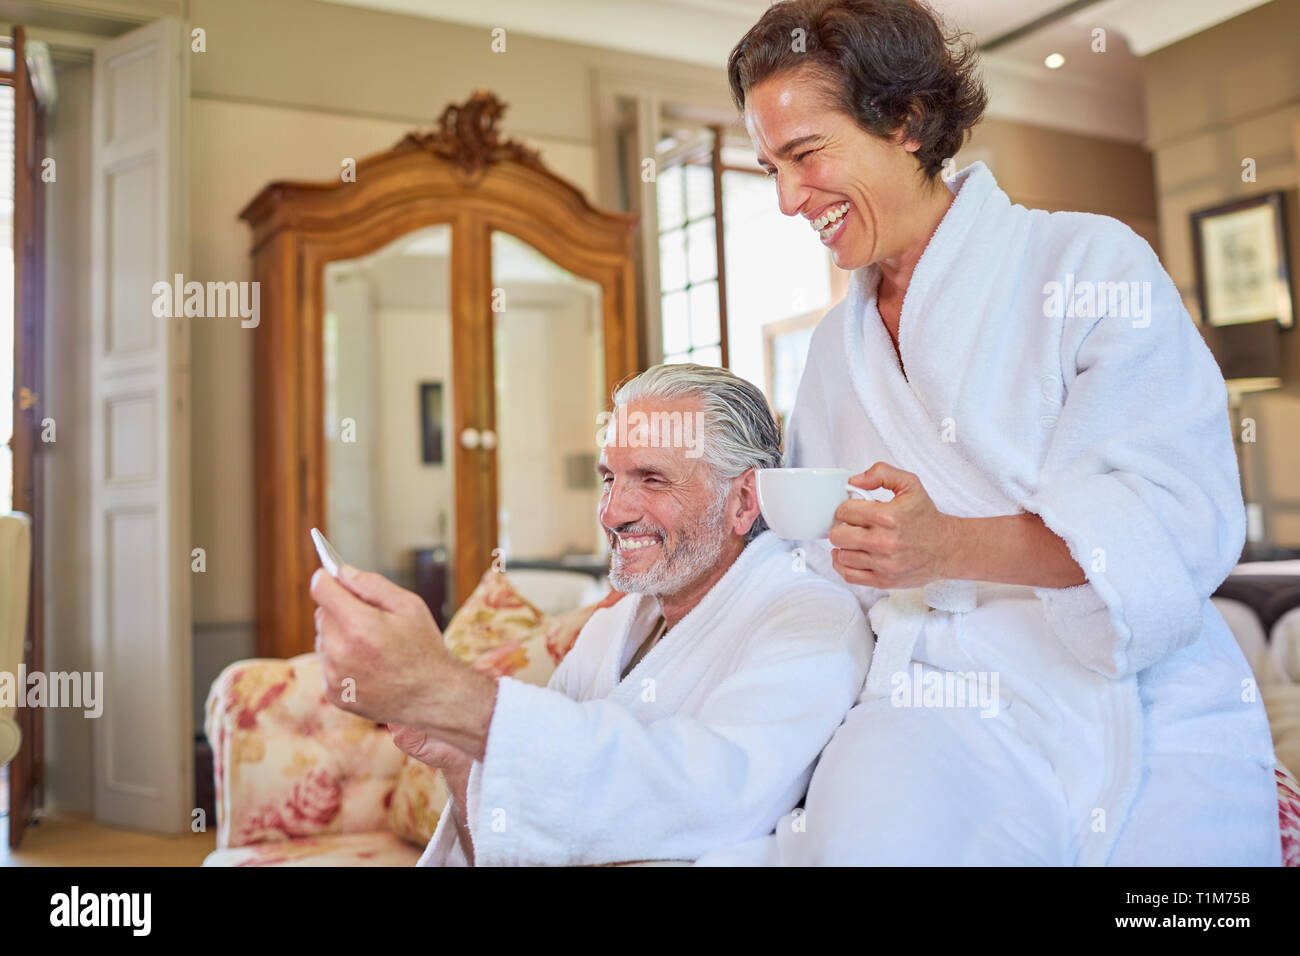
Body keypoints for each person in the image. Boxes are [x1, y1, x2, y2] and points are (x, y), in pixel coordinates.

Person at [698, 0, 1280, 865]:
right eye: (768, 166)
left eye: (806, 155)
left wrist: (946, 546)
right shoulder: (834, 349)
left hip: (1135, 695)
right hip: (928, 703)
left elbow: (1168, 520)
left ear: (906, 119)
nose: (787, 199)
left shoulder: (1089, 265)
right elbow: (819, 565)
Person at [310, 363, 872, 866]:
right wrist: (459, 760)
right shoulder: (615, 624)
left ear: (744, 501)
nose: (613, 512)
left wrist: (446, 693)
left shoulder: (810, 619)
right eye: (609, 478)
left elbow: (706, 799)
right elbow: (522, 844)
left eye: (651, 479)